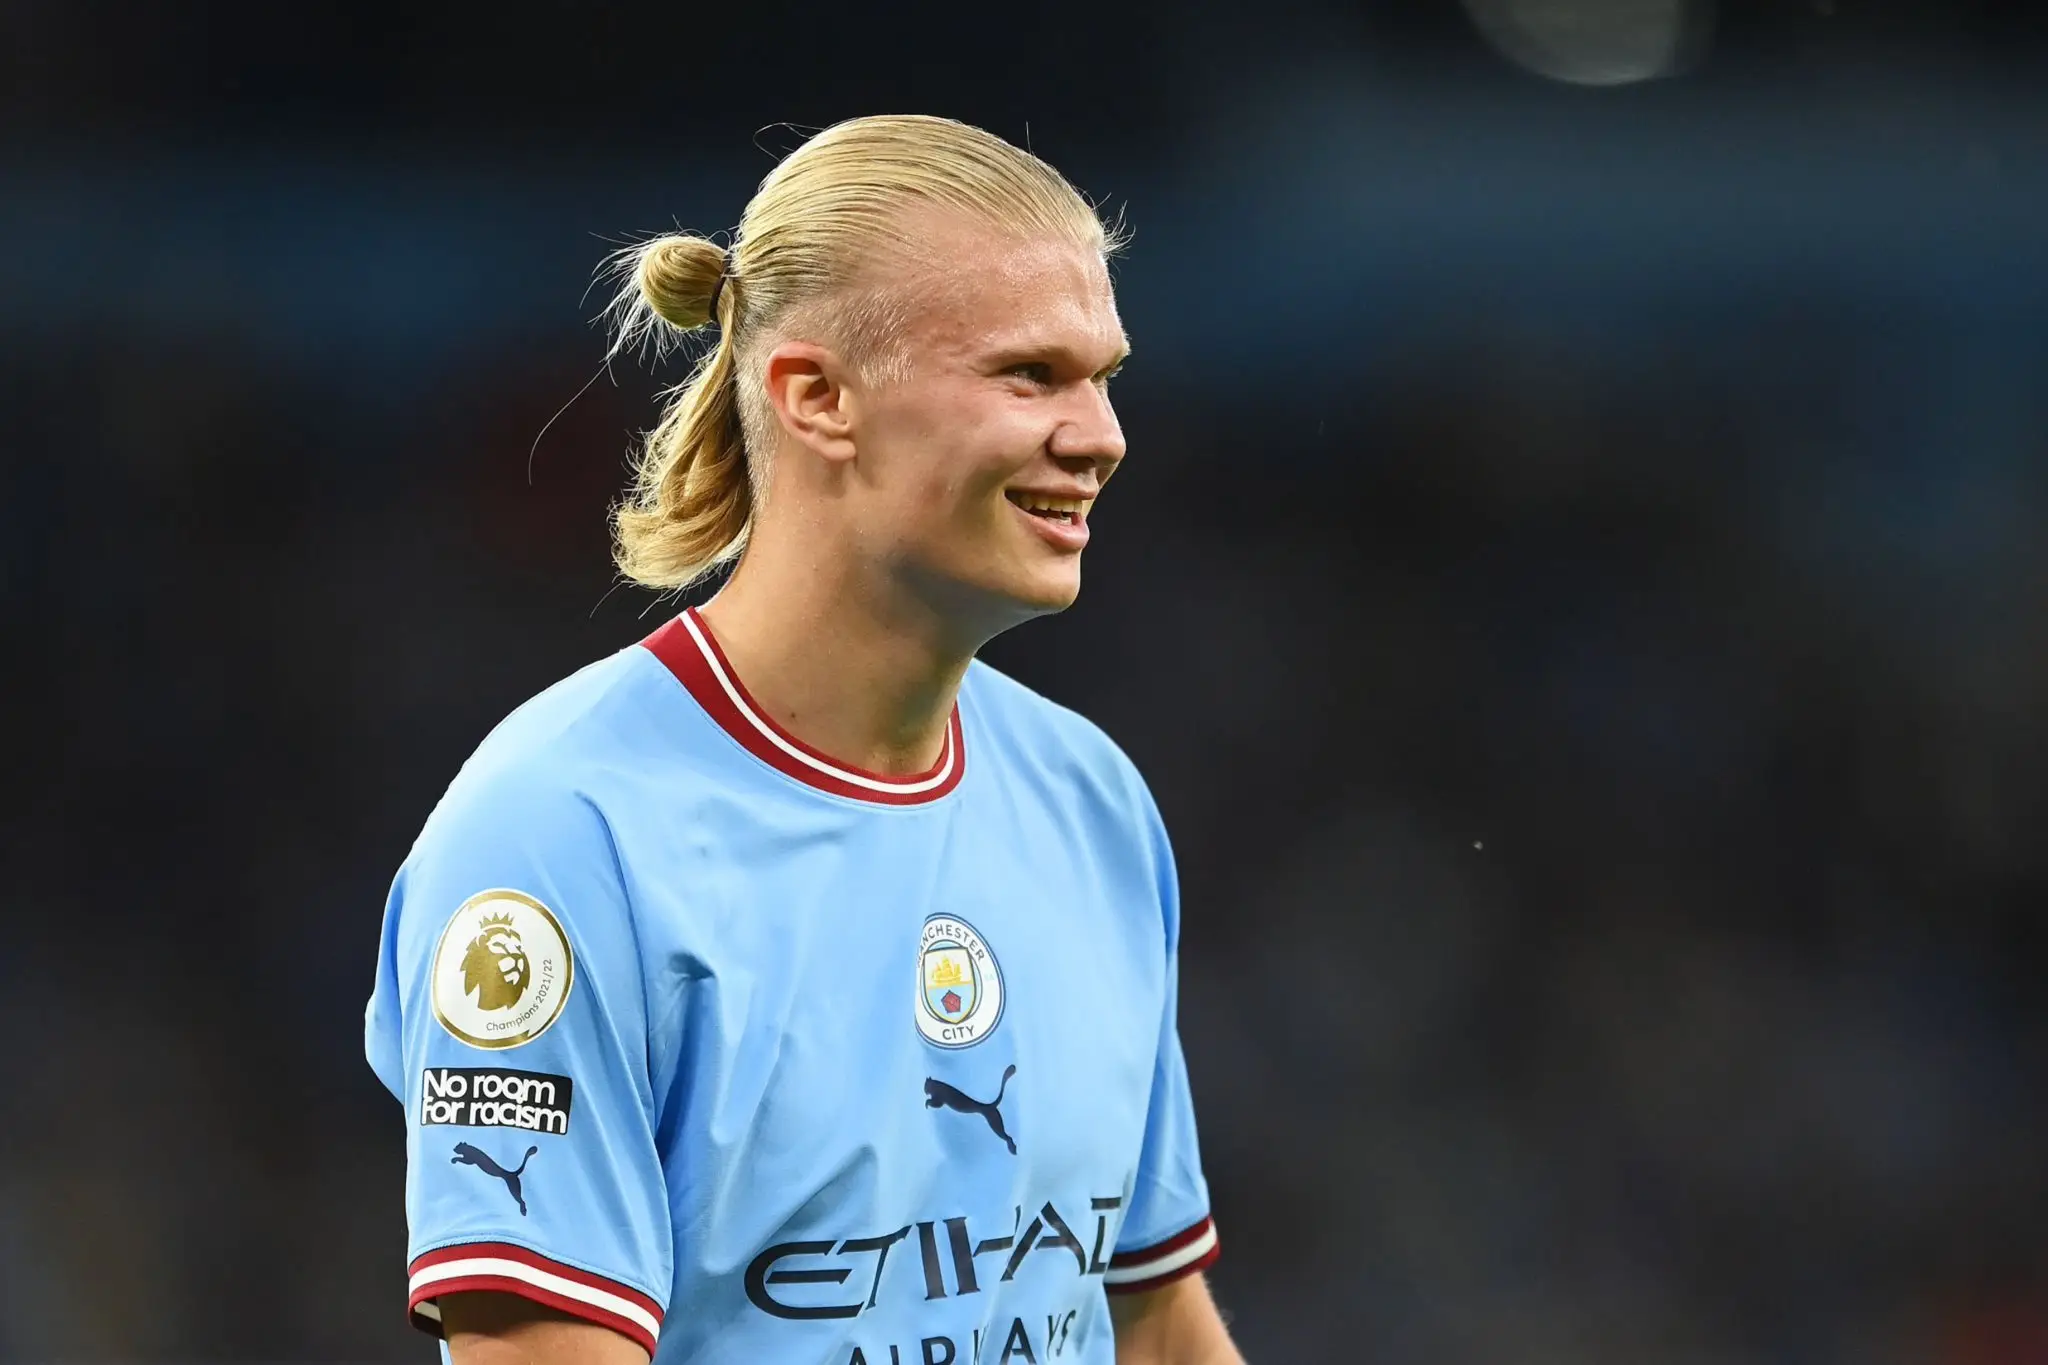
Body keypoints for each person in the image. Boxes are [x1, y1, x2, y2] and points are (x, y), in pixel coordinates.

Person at [364, 113, 1241, 1365]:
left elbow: (1149, 1328)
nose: (1098, 433)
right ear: (818, 397)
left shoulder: (1089, 799)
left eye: (1103, 376)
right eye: (1029, 375)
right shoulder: (560, 840)